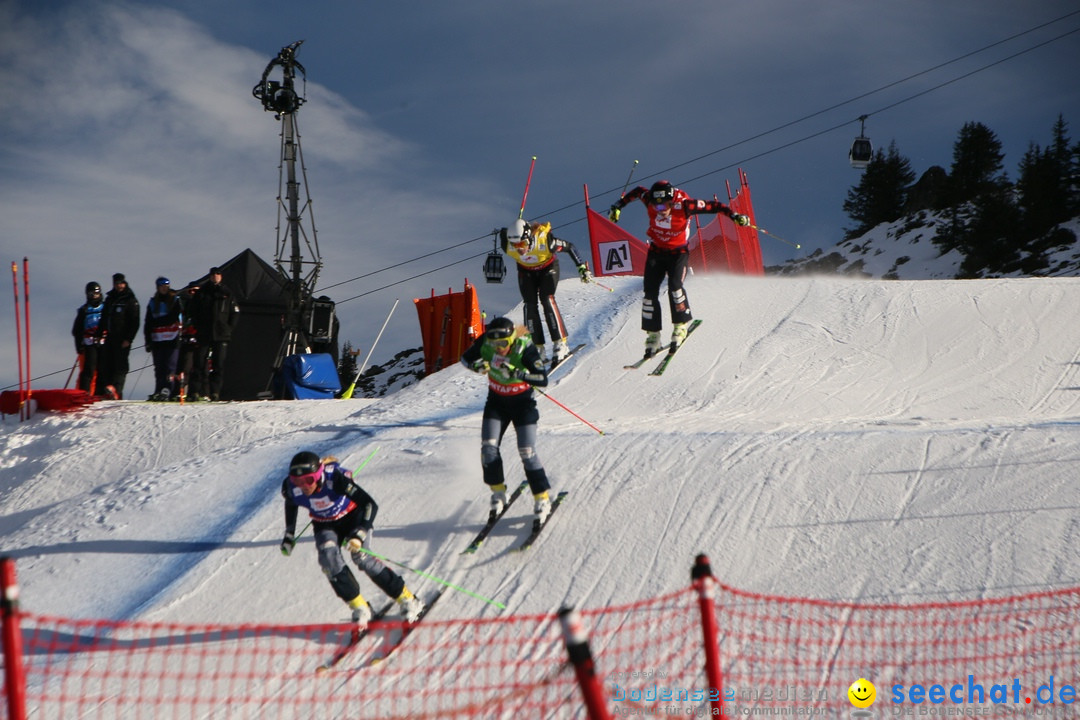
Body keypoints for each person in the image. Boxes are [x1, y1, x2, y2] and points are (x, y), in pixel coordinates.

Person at [278, 451, 424, 627]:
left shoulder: (335, 480)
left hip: (353, 517)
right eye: (297, 481)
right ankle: (360, 607)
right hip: (325, 524)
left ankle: (408, 599)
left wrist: (360, 534)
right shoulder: (291, 488)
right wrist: (289, 534)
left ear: (317, 476)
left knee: (363, 558)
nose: (303, 486)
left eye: (308, 480)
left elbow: (370, 504)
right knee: (328, 561)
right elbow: (291, 504)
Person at [608, 180, 749, 357]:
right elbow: (637, 191)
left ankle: (681, 325)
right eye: (656, 206)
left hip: (677, 253)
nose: (661, 210)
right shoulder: (649, 198)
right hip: (656, 251)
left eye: (664, 206)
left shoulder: (685, 205)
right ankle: (653, 335)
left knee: (675, 286)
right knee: (649, 292)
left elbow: (715, 206)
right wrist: (618, 206)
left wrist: (735, 216)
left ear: (672, 200)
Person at [458, 316, 554, 526]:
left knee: (527, 451)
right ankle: (498, 493)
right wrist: (478, 367)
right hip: (497, 403)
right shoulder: (486, 342)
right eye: (494, 344)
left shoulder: (524, 347)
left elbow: (543, 378)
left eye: (502, 344)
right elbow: (464, 358)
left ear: (511, 339)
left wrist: (518, 373)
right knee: (488, 449)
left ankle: (542, 498)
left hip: (522, 404)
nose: (498, 348)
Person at [499, 219, 593, 366]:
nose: (519, 249)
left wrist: (581, 267)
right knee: (529, 305)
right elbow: (503, 232)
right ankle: (537, 348)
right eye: (515, 245)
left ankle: (560, 344)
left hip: (547, 269)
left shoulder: (546, 241)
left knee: (546, 299)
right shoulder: (507, 245)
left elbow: (570, 247)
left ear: (529, 238)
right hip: (526, 271)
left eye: (522, 244)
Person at [187, 267, 239, 401]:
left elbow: (235, 313)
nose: (215, 276)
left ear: (221, 276)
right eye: (213, 274)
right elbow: (193, 310)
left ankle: (215, 392)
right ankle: (194, 392)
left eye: (218, 274)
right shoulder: (203, 292)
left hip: (221, 334)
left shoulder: (227, 293)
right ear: (209, 276)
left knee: (218, 364)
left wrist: (228, 328)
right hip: (204, 333)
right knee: (198, 363)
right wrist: (198, 326)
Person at [99, 273, 141, 399]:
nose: (119, 286)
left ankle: (117, 391)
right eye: (117, 283)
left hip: (122, 338)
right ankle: (107, 391)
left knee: (120, 365)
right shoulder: (110, 298)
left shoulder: (130, 299)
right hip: (110, 337)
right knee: (107, 364)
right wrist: (100, 333)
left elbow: (135, 321)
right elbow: (104, 317)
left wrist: (129, 338)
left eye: (121, 283)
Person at [143, 277, 183, 401]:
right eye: (161, 286)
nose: (164, 288)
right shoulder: (153, 303)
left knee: (170, 366)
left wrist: (157, 322)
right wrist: (148, 341)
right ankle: (159, 389)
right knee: (159, 366)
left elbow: (173, 317)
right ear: (158, 287)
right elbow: (148, 323)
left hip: (172, 338)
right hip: (157, 339)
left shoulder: (175, 300)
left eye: (166, 285)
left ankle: (168, 389)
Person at [71, 281, 105, 394]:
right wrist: (79, 345)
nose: (94, 296)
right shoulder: (84, 310)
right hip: (89, 342)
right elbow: (77, 330)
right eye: (92, 294)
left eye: (96, 294)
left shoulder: (106, 308)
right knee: (89, 369)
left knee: (103, 369)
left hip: (104, 341)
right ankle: (84, 392)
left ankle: (100, 393)